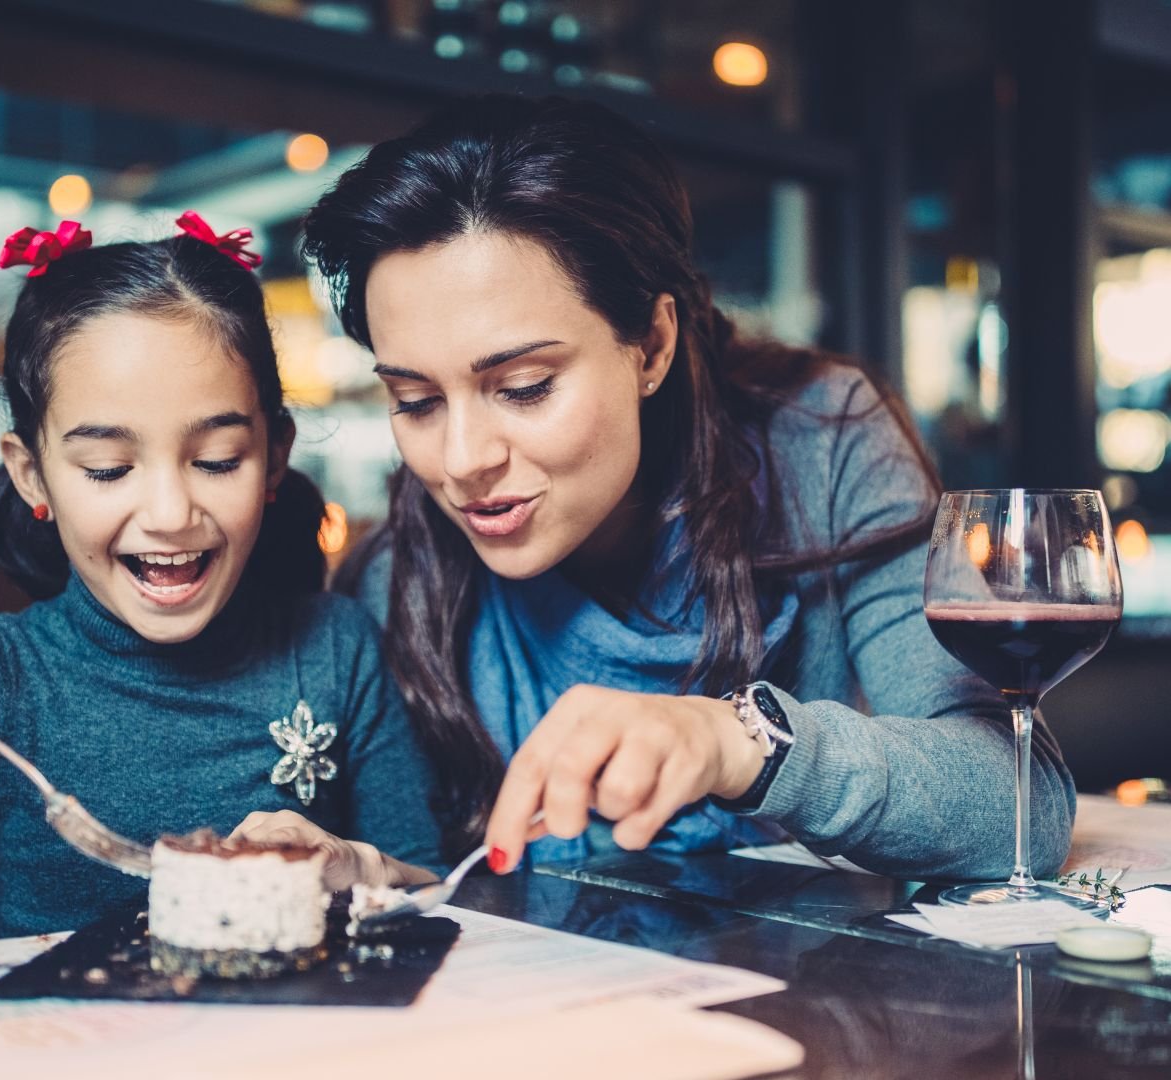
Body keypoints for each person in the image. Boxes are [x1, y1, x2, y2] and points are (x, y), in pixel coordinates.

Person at [301, 95, 1076, 878]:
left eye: (526, 386)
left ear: (652, 346)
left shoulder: (823, 443)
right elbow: (424, 876)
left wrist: (734, 741)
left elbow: (1019, 807)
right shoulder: (396, 578)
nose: (461, 460)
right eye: (416, 402)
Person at [0, 212, 439, 945]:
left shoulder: (335, 648)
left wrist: (353, 863)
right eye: (109, 469)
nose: (170, 514)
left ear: (273, 457)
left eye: (218, 459)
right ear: (32, 475)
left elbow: (442, 898)